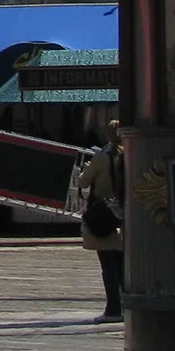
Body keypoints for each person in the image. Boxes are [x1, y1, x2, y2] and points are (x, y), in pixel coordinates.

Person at [71, 124, 125, 323]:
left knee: (108, 264)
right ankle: (128, 307)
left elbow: (84, 182)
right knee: (123, 266)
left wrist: (86, 171)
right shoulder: (130, 153)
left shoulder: (103, 156)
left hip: (105, 214)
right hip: (125, 214)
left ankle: (113, 309)